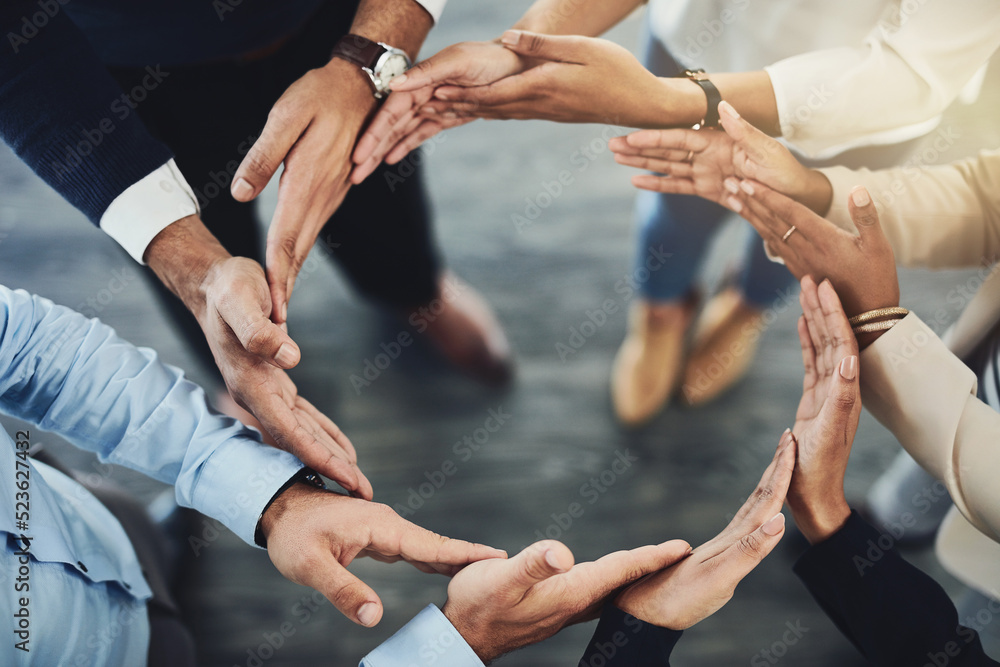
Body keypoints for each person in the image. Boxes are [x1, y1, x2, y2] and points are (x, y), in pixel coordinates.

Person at [0, 282, 794, 665]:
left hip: (77, 518)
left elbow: (26, 347)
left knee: (135, 530)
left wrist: (265, 494)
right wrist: (461, 644)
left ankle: (163, 535)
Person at [349, 0, 1000, 425]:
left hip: (873, 103)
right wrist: (524, 47)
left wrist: (674, 100)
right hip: (704, 35)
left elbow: (912, 70)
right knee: (672, 203)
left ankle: (743, 308)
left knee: (804, 227)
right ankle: (660, 313)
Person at [0, 0, 512, 489]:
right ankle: (237, 371)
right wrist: (197, 273)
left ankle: (413, 293)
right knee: (204, 262)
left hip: (338, 20)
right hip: (123, 68)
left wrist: (367, 59)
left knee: (378, 193)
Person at [618, 108, 1000, 625]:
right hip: (983, 375)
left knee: (969, 621)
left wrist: (879, 326)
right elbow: (987, 198)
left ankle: (743, 306)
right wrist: (816, 190)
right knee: (907, 492)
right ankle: (887, 519)